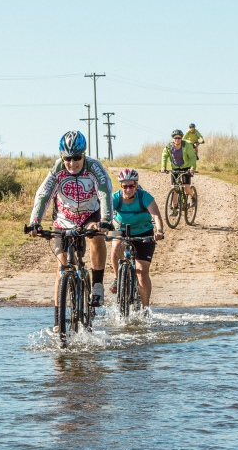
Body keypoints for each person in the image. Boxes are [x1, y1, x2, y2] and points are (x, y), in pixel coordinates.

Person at [28, 131, 114, 312]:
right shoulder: (58, 169)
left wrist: (106, 220)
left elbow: (105, 192)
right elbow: (44, 195)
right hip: (64, 218)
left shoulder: (94, 167)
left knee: (97, 237)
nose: (72, 163)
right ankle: (58, 319)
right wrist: (35, 221)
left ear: (83, 155)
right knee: (61, 267)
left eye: (76, 158)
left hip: (90, 214)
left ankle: (97, 285)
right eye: (67, 158)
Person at [109, 168, 164, 306]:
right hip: (121, 229)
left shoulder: (144, 196)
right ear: (121, 186)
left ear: (136, 185)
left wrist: (160, 231)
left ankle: (145, 308)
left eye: (131, 185)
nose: (128, 189)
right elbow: (106, 214)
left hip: (144, 232)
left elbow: (156, 215)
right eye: (124, 186)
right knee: (115, 246)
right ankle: (117, 277)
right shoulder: (115, 198)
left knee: (142, 272)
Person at [160, 128, 197, 206]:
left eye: (179, 138)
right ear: (173, 138)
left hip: (186, 168)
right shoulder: (169, 147)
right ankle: (174, 208)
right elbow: (164, 156)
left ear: (181, 138)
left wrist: (192, 168)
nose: (177, 139)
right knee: (174, 188)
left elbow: (193, 157)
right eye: (175, 138)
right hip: (175, 168)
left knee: (186, 188)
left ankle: (193, 197)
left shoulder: (186, 145)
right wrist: (163, 167)